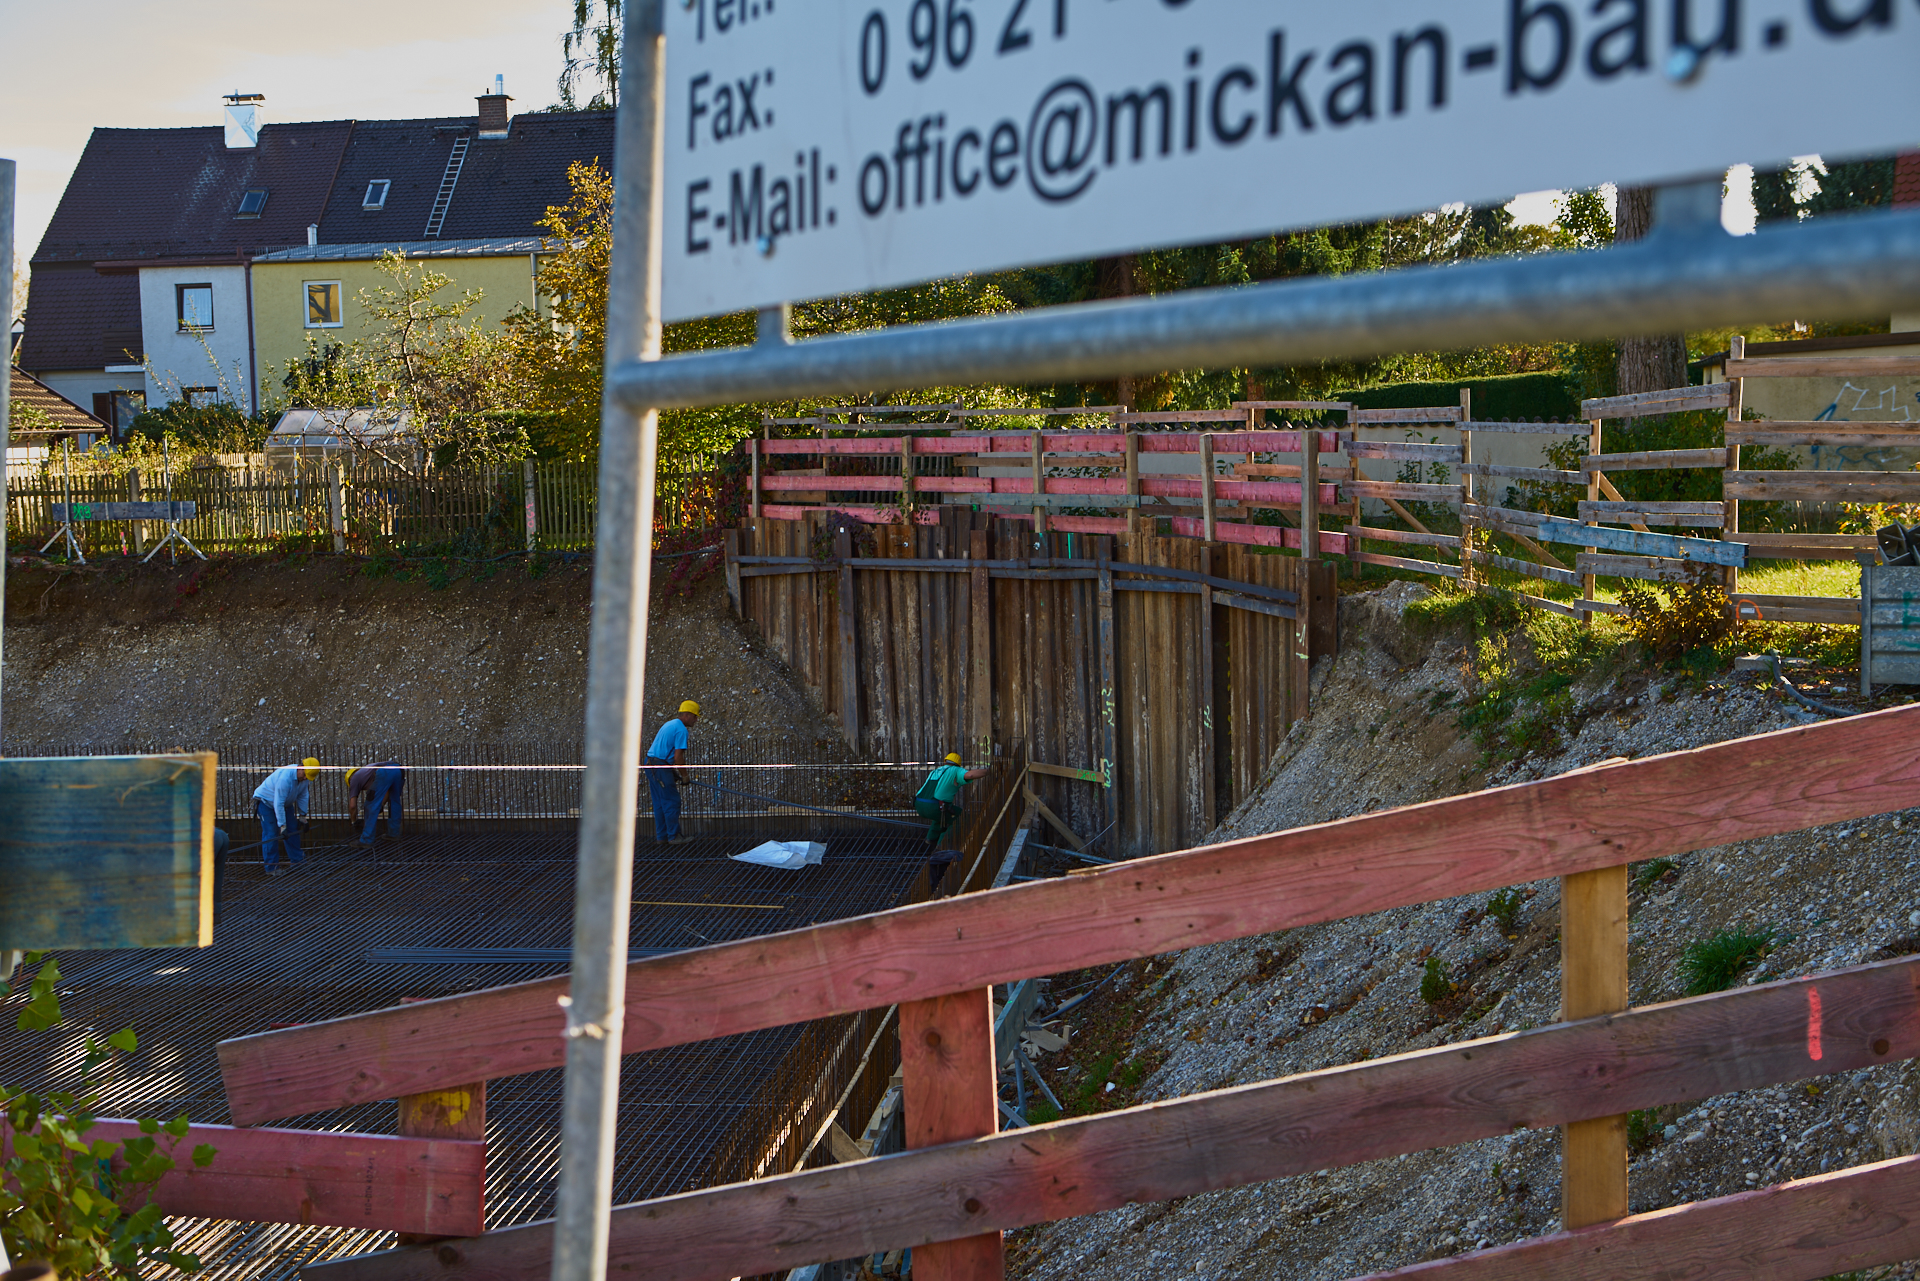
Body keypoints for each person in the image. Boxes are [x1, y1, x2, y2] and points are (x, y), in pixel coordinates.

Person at [645, 700, 701, 845]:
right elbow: (678, 757)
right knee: (671, 801)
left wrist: (671, 772)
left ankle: (662, 837)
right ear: (687, 715)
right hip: (660, 767)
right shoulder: (681, 730)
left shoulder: (670, 724)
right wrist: (684, 776)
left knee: (659, 802)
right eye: (695, 716)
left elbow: (664, 752)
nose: (696, 720)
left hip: (650, 763)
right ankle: (674, 836)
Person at [254, 758, 319, 877]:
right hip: (266, 803)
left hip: (284, 804)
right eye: (304, 775)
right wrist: (282, 825)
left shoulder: (304, 778)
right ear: (300, 767)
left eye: (307, 777)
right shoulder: (285, 778)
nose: (305, 779)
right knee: (271, 834)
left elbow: (303, 795)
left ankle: (298, 861)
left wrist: (302, 816)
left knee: (293, 830)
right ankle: (271, 867)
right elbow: (278, 803)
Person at [914, 752, 988, 847]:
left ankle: (931, 838)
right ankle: (943, 844)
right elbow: (970, 775)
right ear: (958, 764)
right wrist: (988, 771)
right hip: (934, 806)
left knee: (943, 815)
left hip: (919, 804)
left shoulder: (936, 771)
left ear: (946, 762)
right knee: (962, 816)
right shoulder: (955, 770)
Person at [347, 761, 407, 847]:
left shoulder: (354, 779)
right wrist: (381, 805)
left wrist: (354, 822)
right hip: (398, 769)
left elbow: (352, 806)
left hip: (384, 771)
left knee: (370, 805)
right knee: (394, 801)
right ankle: (394, 834)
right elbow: (387, 792)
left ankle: (366, 840)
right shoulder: (366, 773)